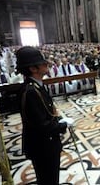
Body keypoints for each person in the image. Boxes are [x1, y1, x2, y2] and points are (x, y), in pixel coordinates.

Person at [16, 46, 73, 185]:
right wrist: (63, 125)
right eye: (42, 63)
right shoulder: (31, 92)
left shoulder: (35, 86)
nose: (46, 64)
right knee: (48, 179)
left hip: (45, 144)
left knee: (50, 178)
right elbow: (42, 125)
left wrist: (58, 119)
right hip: (43, 146)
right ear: (32, 68)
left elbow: (46, 113)